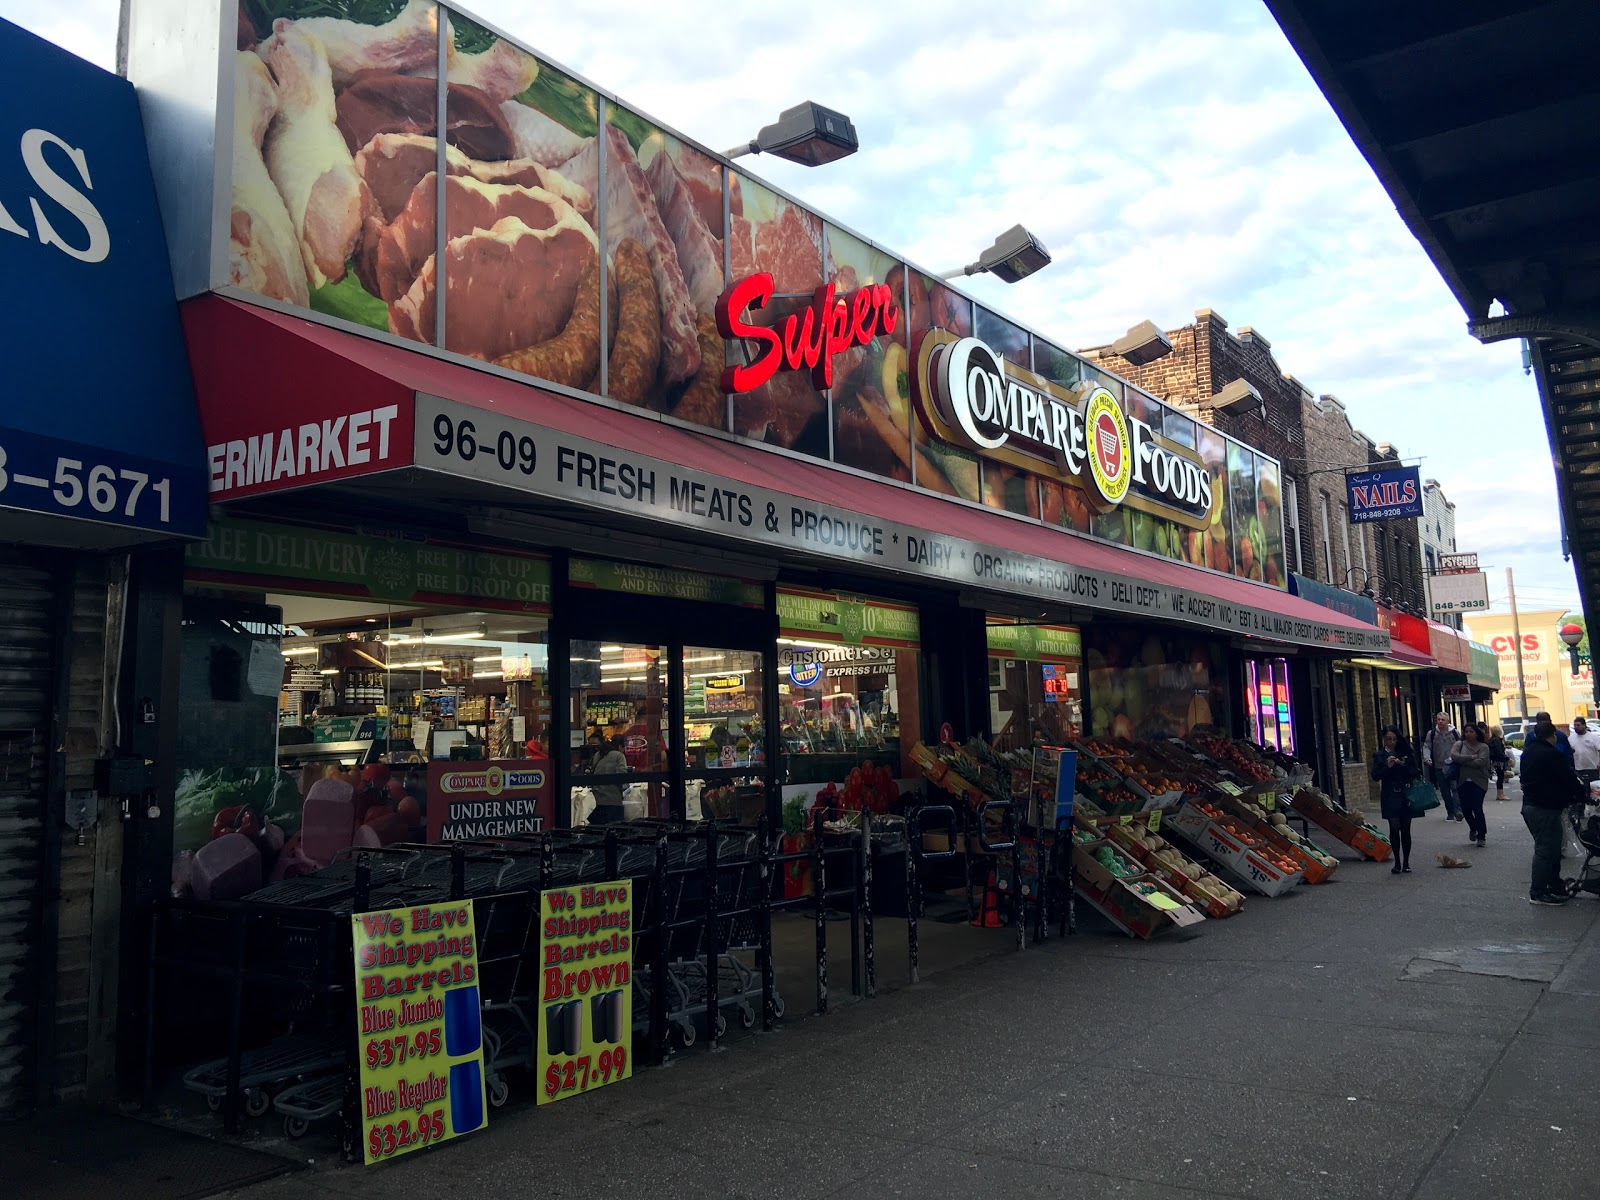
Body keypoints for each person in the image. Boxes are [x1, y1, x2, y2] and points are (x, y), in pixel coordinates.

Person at [1519, 717, 1586, 904]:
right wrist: (1581, 795)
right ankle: (1538, 892)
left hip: (1530, 806)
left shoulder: (1528, 752)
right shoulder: (1552, 754)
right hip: (1546, 807)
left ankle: (1553, 884)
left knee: (1551, 848)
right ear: (1553, 736)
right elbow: (1567, 778)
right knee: (1546, 850)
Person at [1371, 726, 1420, 874]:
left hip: (1405, 793)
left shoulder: (1405, 753)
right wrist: (1388, 766)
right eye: (1388, 739)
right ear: (1384, 739)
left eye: (1394, 739)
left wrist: (1402, 764)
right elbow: (1375, 776)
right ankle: (1397, 862)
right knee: (1394, 827)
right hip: (1390, 794)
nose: (1391, 742)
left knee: (1405, 828)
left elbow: (1415, 773)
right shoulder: (1379, 755)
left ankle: (1406, 862)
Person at [1450, 723, 1492, 848]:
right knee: (1466, 809)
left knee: (1477, 807)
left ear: (1477, 733)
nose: (1468, 734)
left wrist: (1464, 761)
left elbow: (1481, 762)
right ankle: (1473, 828)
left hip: (1478, 781)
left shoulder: (1483, 747)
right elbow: (1454, 756)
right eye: (1466, 731)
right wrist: (1471, 757)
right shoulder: (1460, 744)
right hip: (1463, 781)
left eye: (1471, 731)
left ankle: (1481, 835)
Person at [1422, 712, 1461, 821]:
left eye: (1442, 720)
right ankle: (1450, 812)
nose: (1440, 722)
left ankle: (1458, 811)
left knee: (1455, 788)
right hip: (1439, 766)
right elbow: (1427, 746)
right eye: (1438, 719)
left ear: (1447, 721)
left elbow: (1461, 746)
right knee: (1445, 791)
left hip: (1453, 766)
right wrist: (1427, 758)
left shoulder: (1454, 733)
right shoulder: (1432, 733)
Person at [588, 735, 630, 825]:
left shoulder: (598, 754)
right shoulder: (619, 756)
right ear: (620, 747)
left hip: (598, 801)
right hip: (614, 802)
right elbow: (622, 777)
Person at [1568, 715, 1600, 789]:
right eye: (1575, 725)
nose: (1576, 727)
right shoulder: (1571, 738)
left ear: (1584, 725)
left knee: (1593, 788)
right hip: (1578, 768)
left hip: (1592, 768)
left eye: (1578, 725)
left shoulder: (1593, 737)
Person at [1488, 724, 1509, 801]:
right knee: (1500, 777)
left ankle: (1500, 794)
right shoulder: (1496, 740)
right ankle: (1500, 794)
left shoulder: (1493, 739)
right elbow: (1499, 751)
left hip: (1495, 761)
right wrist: (1506, 759)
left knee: (1500, 777)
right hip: (1498, 761)